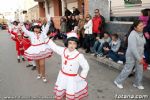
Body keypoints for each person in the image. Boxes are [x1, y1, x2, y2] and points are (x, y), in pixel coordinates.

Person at [47, 31, 89, 100]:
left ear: (77, 45)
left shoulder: (79, 55)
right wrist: (47, 40)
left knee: (70, 95)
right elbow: (55, 47)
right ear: (67, 43)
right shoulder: (63, 50)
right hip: (62, 76)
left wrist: (81, 77)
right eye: (70, 43)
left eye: (74, 43)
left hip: (72, 79)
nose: (72, 45)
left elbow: (86, 67)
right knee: (62, 93)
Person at [114, 20, 146, 90]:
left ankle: (137, 83)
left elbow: (142, 45)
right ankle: (118, 81)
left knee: (139, 70)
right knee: (128, 69)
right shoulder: (132, 34)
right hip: (131, 55)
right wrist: (139, 58)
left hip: (139, 55)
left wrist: (142, 56)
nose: (142, 27)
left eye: (142, 25)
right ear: (135, 27)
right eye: (140, 26)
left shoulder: (142, 33)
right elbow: (133, 48)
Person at [20, 16, 53, 83]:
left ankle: (43, 76)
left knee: (42, 64)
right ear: (33, 29)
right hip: (34, 50)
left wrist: (49, 20)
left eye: (37, 28)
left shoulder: (43, 33)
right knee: (37, 64)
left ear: (39, 28)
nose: (36, 29)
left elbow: (47, 26)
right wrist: (21, 23)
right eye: (35, 28)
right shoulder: (31, 34)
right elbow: (24, 30)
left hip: (42, 49)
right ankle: (39, 74)